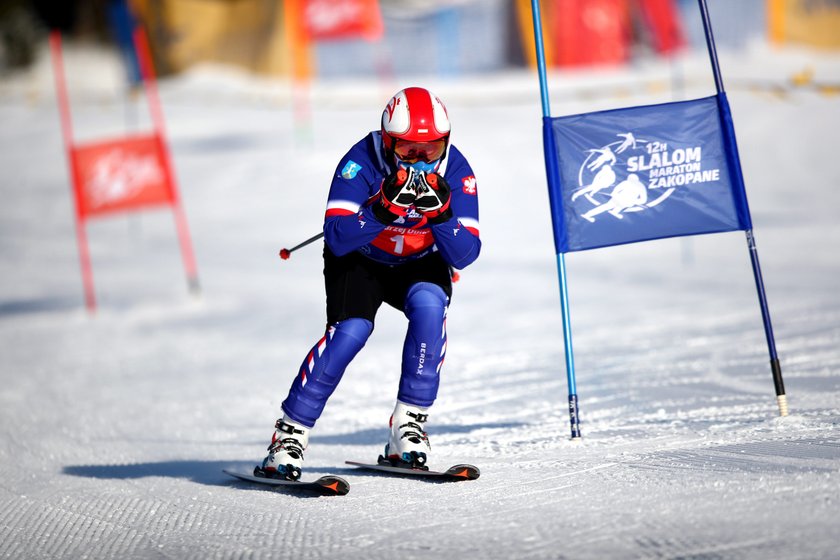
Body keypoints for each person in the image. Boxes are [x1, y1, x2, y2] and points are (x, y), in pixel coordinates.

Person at [257, 86, 481, 480]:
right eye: (408, 149)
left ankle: (408, 425)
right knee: (351, 332)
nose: (420, 160)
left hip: (418, 261)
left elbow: (466, 253)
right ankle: (288, 436)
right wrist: (381, 209)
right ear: (388, 140)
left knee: (430, 309)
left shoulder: (457, 170)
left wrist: (443, 217)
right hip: (359, 260)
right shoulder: (359, 163)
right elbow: (339, 236)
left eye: (431, 149)